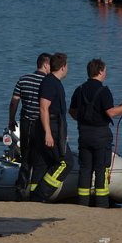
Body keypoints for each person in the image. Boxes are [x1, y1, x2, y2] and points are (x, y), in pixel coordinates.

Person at [69, 59, 122, 207]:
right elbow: (111, 112)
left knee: (85, 169)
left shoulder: (79, 89)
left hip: (84, 134)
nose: (106, 73)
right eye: (105, 70)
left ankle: (83, 203)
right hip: (100, 136)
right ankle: (101, 204)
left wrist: (84, 119)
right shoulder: (104, 91)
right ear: (100, 71)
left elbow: (72, 111)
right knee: (101, 169)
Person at [30, 53, 74, 201]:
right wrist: (48, 133)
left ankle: (34, 195)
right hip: (51, 127)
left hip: (55, 126)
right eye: (67, 66)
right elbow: (43, 108)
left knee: (43, 163)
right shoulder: (49, 82)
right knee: (66, 162)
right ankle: (40, 194)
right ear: (63, 67)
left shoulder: (54, 82)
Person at [8, 52, 52, 200]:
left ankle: (20, 188)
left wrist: (11, 119)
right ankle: (36, 190)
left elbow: (14, 101)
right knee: (40, 158)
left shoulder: (23, 79)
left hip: (26, 123)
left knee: (26, 157)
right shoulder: (48, 82)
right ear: (45, 64)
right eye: (50, 65)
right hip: (40, 124)